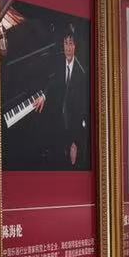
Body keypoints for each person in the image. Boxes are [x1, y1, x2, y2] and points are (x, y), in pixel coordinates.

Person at [38, 28, 90, 169]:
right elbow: (52, 80)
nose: (67, 47)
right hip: (59, 117)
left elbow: (81, 111)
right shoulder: (59, 62)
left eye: (70, 43)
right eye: (65, 43)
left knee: (71, 163)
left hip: (72, 122)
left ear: (75, 46)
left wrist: (75, 142)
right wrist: (43, 96)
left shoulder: (81, 74)